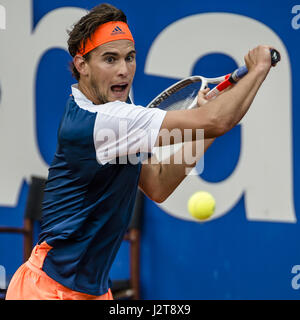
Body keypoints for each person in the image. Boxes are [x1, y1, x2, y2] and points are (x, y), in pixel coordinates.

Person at [6, 3, 276, 300]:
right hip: (46, 290)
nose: (124, 70)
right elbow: (217, 121)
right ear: (81, 64)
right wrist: (258, 69)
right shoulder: (104, 121)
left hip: (92, 291)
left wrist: (209, 120)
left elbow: (157, 184)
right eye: (110, 59)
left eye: (129, 58)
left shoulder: (116, 110)